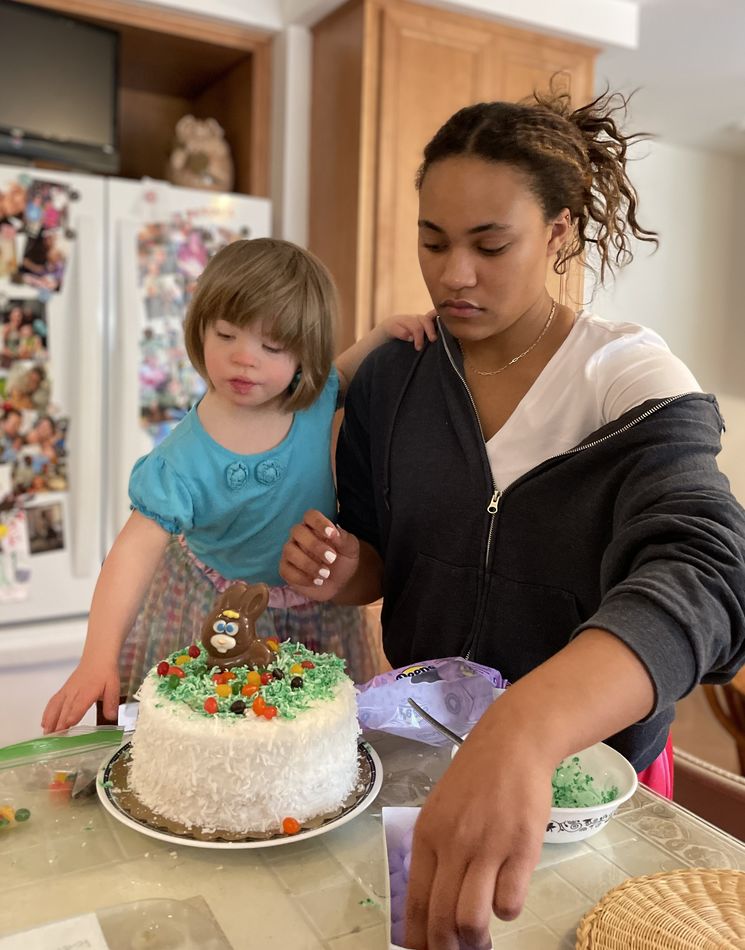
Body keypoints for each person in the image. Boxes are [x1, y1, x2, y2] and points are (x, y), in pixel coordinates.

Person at [279, 90, 745, 948]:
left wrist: (525, 727)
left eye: (491, 244)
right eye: (433, 241)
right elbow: (383, 554)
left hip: (591, 782)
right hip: (419, 760)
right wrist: (349, 566)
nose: (455, 273)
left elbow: (707, 573)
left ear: (560, 233)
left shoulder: (624, 374)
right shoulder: (392, 378)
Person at [42, 237, 436, 735]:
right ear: (198, 329)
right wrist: (96, 657)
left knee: (309, 736)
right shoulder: (180, 459)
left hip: (312, 606)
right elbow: (131, 553)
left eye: (272, 347)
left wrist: (383, 332)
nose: (244, 359)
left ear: (303, 358)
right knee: (217, 732)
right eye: (226, 335)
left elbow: (348, 367)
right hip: (211, 607)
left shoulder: (311, 401)